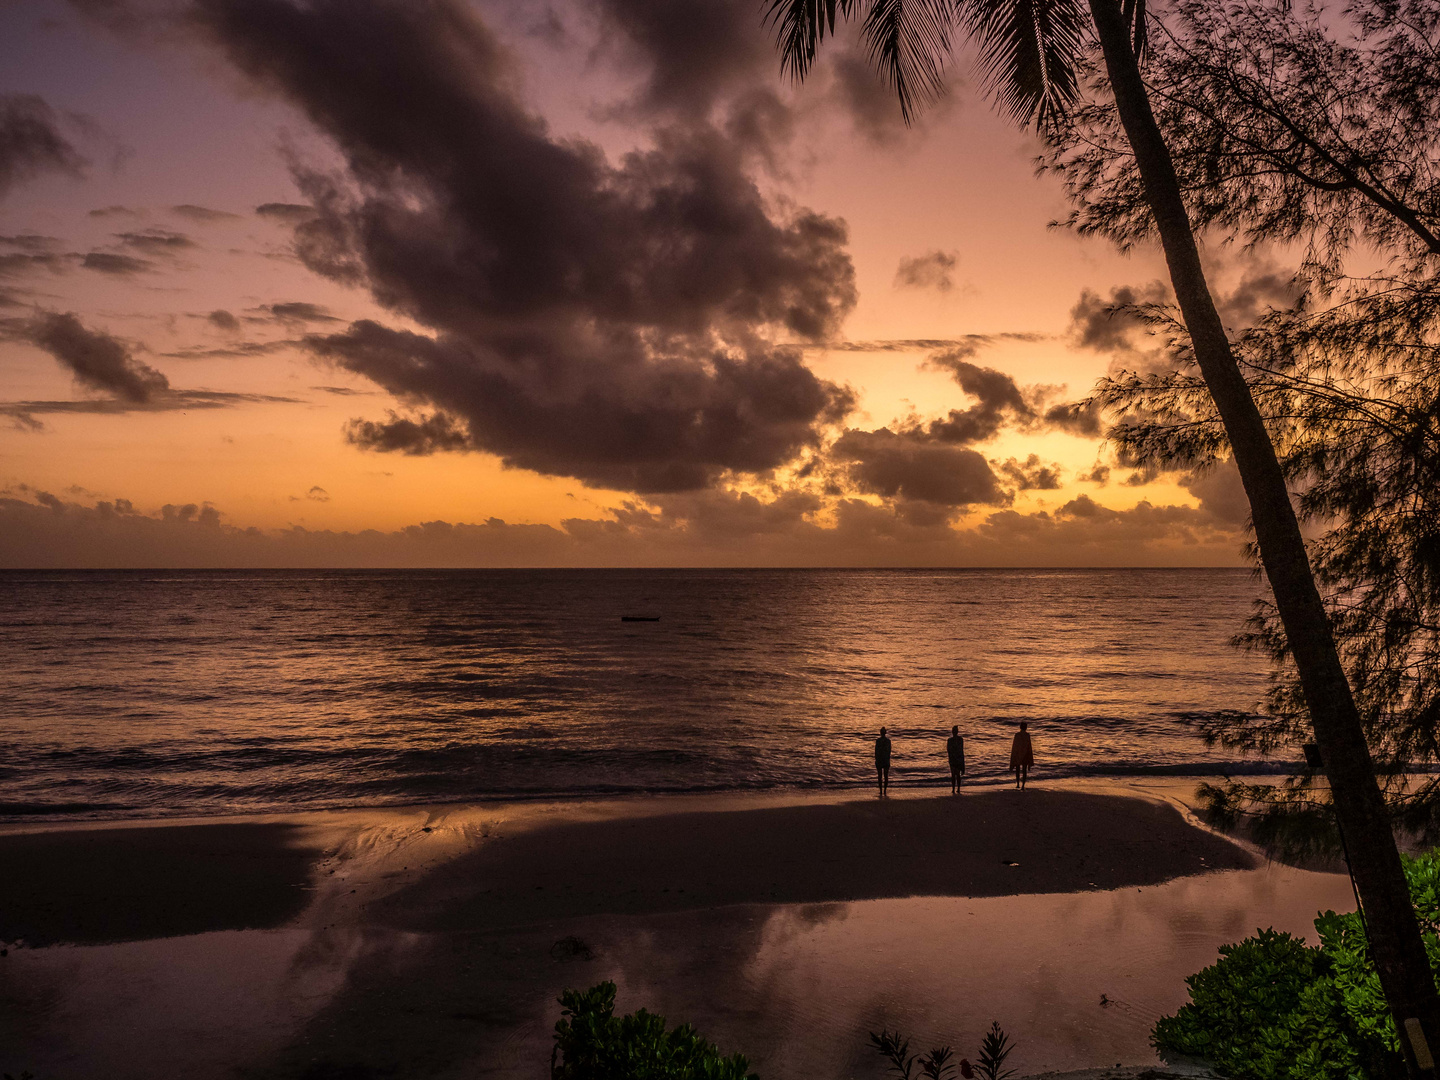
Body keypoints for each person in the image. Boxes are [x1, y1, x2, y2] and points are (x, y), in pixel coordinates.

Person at [1009, 721, 1034, 790]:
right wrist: (1030, 757)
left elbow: (1014, 746)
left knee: (1017, 769)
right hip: (1025, 754)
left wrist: (1013, 756)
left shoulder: (1017, 735)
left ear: (1020, 727)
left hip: (1018, 754)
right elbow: (1029, 747)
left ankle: (1017, 784)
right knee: (1024, 770)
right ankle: (1023, 785)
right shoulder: (1027, 735)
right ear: (1026, 728)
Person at [946, 724, 965, 794]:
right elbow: (949, 750)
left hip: (956, 758)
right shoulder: (952, 740)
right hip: (955, 759)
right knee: (955, 774)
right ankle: (955, 789)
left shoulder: (958, 740)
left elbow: (949, 750)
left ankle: (956, 789)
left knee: (955, 774)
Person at [874, 726, 892, 796]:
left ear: (880, 733)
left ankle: (881, 790)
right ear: (885, 733)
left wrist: (876, 759)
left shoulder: (878, 741)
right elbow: (889, 751)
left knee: (880, 776)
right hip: (886, 760)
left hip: (880, 760)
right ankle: (884, 790)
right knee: (886, 776)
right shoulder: (888, 741)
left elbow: (876, 751)